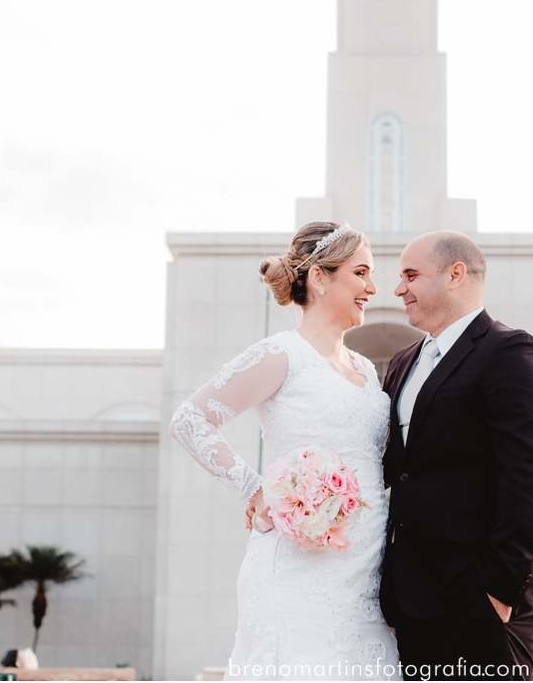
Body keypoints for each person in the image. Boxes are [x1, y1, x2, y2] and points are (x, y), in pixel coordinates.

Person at [169, 222, 400, 681]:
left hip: (367, 574)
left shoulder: (365, 371)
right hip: (298, 571)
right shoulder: (281, 354)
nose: (373, 288)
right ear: (320, 278)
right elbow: (190, 421)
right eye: (361, 273)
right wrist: (257, 490)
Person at [380, 231, 533, 682]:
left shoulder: (509, 351)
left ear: (455, 274)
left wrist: (500, 590)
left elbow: (529, 473)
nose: (399, 288)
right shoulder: (402, 362)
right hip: (408, 597)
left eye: (410, 275)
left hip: (478, 598)